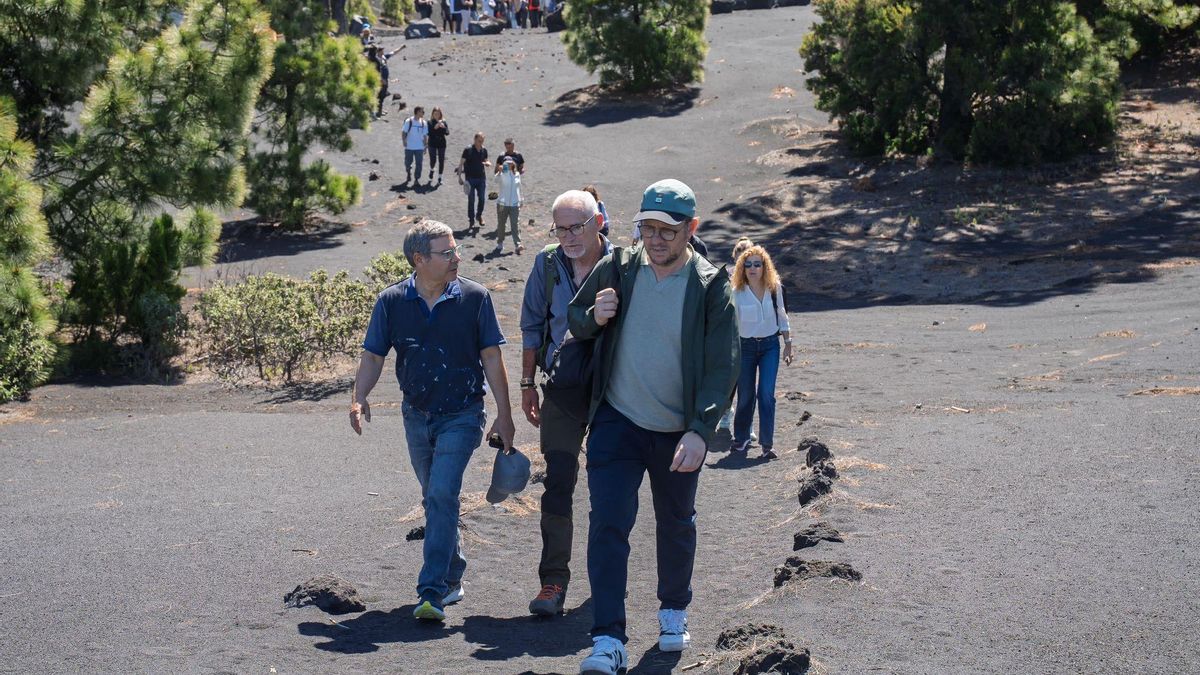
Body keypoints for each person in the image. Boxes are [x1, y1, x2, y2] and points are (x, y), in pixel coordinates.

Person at [569, 179, 738, 674]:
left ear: (691, 229)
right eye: (647, 227)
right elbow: (577, 318)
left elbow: (723, 366)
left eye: (667, 229)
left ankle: (672, 610)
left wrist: (701, 430)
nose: (656, 238)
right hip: (616, 421)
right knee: (607, 525)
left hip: (677, 431)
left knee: (677, 523)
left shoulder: (710, 286)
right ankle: (607, 641)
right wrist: (593, 314)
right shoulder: (619, 266)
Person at [350, 219, 516, 623]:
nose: (457, 257)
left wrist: (505, 416)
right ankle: (454, 572)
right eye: (446, 253)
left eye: (455, 250)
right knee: (434, 498)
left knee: (442, 494)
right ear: (419, 259)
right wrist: (358, 398)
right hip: (415, 415)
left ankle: (432, 591)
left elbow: (492, 358)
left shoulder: (475, 298)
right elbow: (374, 357)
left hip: (462, 414)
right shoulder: (392, 301)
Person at [518, 190, 611, 618]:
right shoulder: (547, 264)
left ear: (598, 222)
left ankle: (610, 579)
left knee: (612, 487)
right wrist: (526, 383)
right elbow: (532, 325)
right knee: (557, 483)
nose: (570, 236)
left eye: (578, 226)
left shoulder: (623, 264)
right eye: (562, 228)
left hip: (614, 390)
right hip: (561, 386)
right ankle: (552, 582)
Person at [729, 245, 792, 460]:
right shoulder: (736, 292)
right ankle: (742, 437)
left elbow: (782, 315)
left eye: (758, 264)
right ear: (742, 268)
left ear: (765, 266)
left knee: (766, 394)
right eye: (748, 264)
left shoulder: (775, 288)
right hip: (744, 348)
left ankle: (767, 444)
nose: (753, 268)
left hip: (769, 347)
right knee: (745, 395)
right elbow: (731, 324)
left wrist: (788, 343)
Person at [718, 236, 755, 433]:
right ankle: (726, 413)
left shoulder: (759, 278)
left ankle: (747, 424)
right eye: (741, 257)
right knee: (729, 381)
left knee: (747, 383)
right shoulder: (728, 276)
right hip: (732, 336)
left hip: (752, 337)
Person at [492, 138, 526, 255]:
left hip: (514, 204)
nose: (508, 164)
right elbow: (495, 180)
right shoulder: (502, 174)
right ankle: (500, 243)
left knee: (515, 224)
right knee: (501, 225)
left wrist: (521, 199)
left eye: (510, 163)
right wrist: (500, 171)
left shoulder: (516, 174)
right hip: (502, 203)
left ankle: (518, 244)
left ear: (513, 164)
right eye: (506, 163)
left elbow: (519, 187)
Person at [457, 132, 490, 232]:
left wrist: (487, 163)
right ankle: (471, 220)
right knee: (471, 200)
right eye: (479, 141)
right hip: (470, 179)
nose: (481, 143)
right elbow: (461, 163)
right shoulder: (468, 150)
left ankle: (478, 216)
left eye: (482, 141)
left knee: (482, 199)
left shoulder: (484, 150)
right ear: (475, 139)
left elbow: (486, 160)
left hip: (481, 178)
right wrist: (459, 177)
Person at [366, 44, 401, 118]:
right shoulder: (375, 60)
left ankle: (378, 110)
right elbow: (376, 72)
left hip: (379, 80)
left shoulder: (377, 58)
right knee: (380, 96)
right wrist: (381, 79)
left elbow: (393, 53)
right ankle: (377, 112)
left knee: (380, 95)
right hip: (379, 81)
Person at [403, 106, 430, 185]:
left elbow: (425, 135)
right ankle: (408, 172)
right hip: (409, 146)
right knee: (408, 162)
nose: (423, 113)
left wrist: (425, 146)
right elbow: (404, 132)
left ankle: (416, 179)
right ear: (417, 112)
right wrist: (404, 141)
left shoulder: (423, 123)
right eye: (422, 111)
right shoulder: (409, 121)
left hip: (419, 147)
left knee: (419, 164)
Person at [428, 107, 450, 183]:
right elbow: (429, 134)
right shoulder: (430, 122)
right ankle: (431, 170)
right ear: (432, 114)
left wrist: (444, 127)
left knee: (441, 160)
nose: (437, 115)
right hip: (432, 143)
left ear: (440, 114)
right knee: (433, 160)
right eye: (435, 114)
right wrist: (435, 128)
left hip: (441, 143)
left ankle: (440, 177)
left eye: (438, 114)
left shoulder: (443, 121)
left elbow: (447, 133)